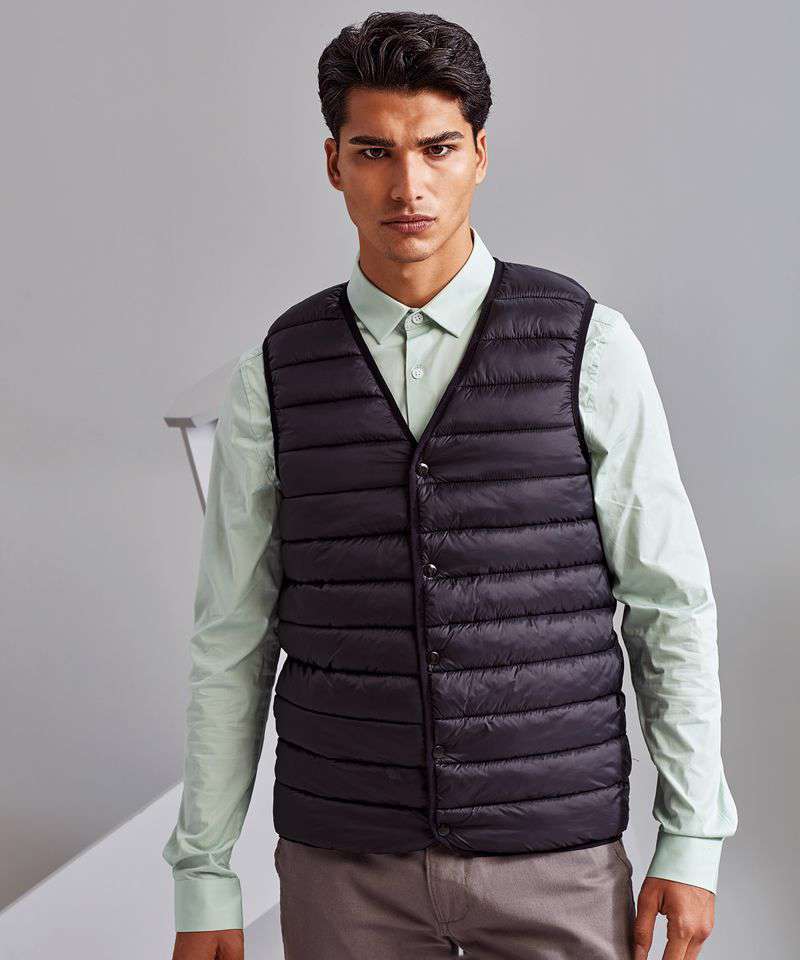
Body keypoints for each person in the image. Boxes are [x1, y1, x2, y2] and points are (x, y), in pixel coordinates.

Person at [164, 11, 738, 960]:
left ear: (479, 154)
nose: (409, 185)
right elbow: (233, 634)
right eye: (374, 152)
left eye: (437, 148)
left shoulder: (588, 345)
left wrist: (692, 837)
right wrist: (204, 876)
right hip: (344, 865)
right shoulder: (274, 371)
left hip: (555, 855)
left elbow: (668, 603)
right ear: (333, 163)